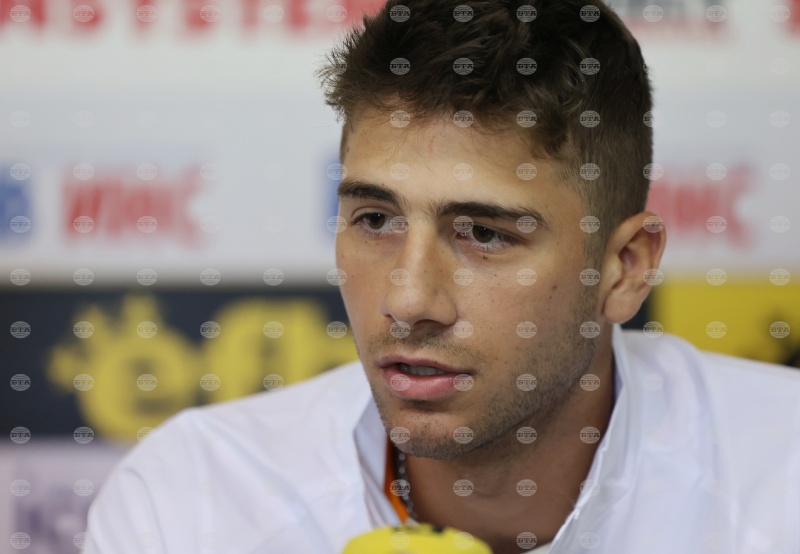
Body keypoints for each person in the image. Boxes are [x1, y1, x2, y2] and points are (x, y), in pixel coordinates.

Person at [85, 1, 800, 553]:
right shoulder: (193, 502)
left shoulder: (780, 484)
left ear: (625, 269)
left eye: (484, 234)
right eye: (375, 220)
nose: (407, 299)